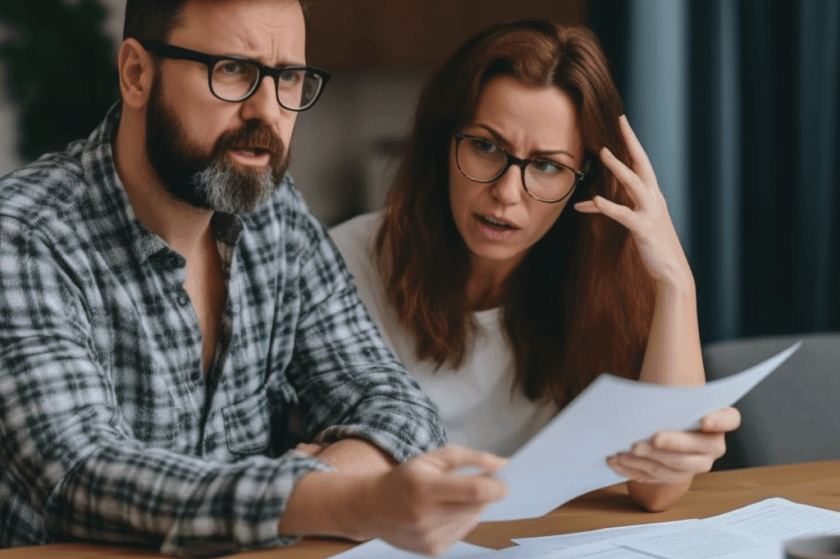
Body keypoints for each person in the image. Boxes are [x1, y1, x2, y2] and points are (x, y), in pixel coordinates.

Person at [0, 0, 508, 556]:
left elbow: (392, 400)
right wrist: (342, 500)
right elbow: (80, 474)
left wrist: (328, 478)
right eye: (233, 70)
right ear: (137, 74)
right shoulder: (25, 235)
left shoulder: (275, 213)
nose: (267, 111)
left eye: (288, 77)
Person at [330, 19, 742, 513]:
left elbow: (658, 491)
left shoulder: (600, 282)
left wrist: (677, 281)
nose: (506, 193)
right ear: (445, 140)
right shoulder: (345, 263)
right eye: (485, 146)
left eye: (547, 166)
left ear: (583, 183)